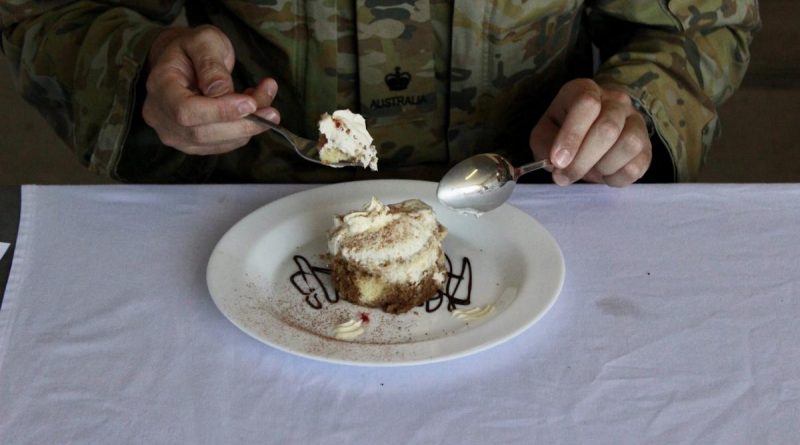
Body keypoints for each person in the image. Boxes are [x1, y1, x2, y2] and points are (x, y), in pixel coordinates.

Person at [1, 1, 759, 185]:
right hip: (242, 224)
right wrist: (146, 68)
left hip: (537, 214)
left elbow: (705, 21)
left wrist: (632, 108)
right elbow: (45, 11)